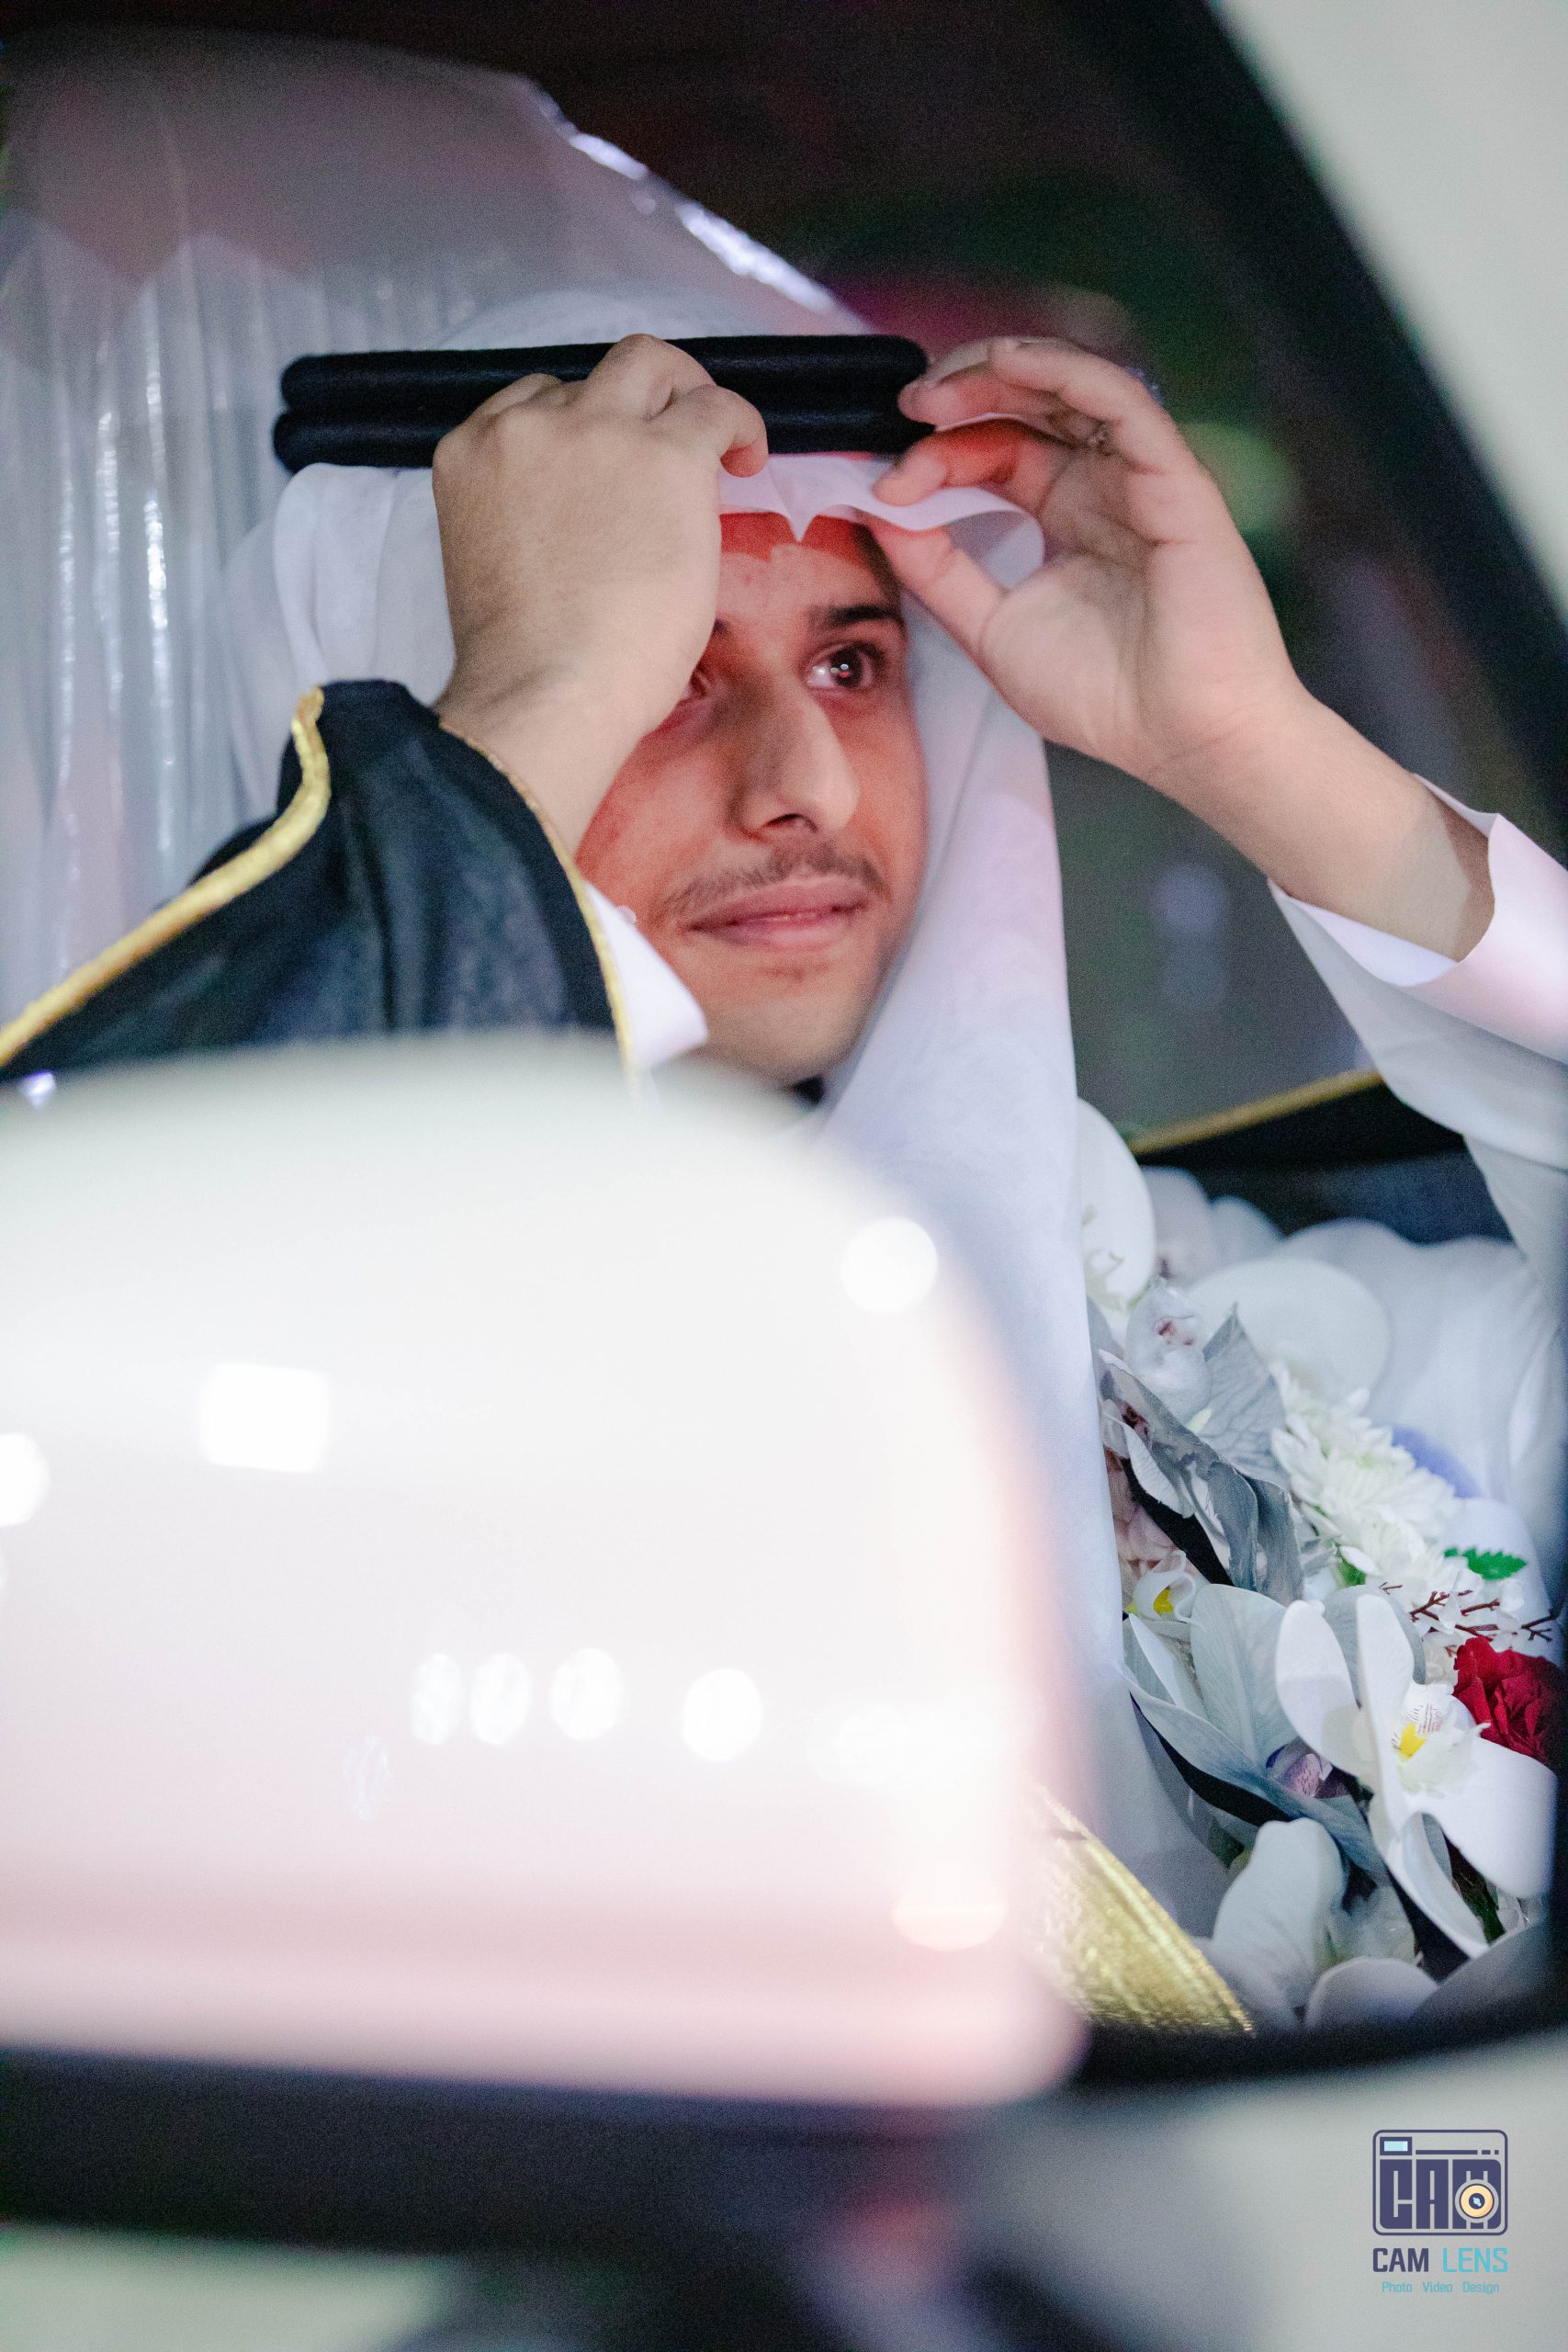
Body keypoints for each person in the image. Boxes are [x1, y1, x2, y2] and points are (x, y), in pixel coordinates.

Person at [4, 325, 1564, 1960]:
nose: (803, 784)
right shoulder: (331, 1408)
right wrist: (534, 711)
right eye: (664, 675)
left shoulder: (1194, 1304)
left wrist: (1258, 749)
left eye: (852, 666)